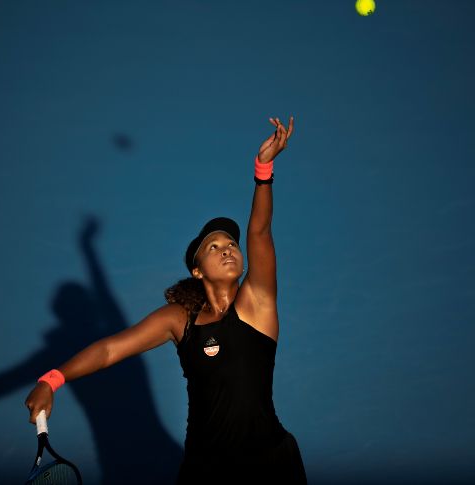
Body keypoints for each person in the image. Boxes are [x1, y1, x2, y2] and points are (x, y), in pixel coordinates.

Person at [24, 115, 307, 484]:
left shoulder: (258, 302)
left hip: (270, 466)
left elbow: (259, 229)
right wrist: (52, 379)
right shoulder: (180, 319)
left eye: (231, 245)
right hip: (205, 471)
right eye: (213, 247)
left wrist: (263, 167)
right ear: (197, 270)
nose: (227, 250)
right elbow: (111, 349)